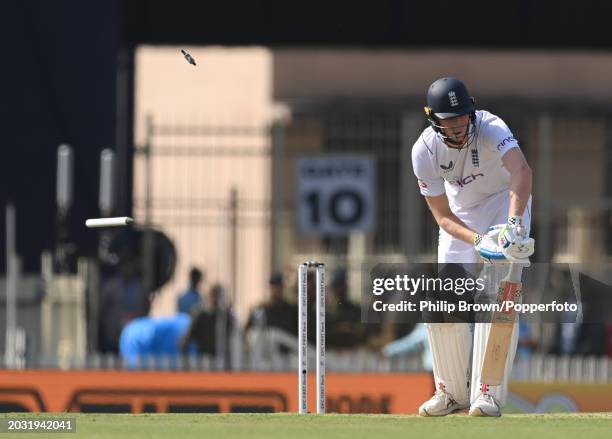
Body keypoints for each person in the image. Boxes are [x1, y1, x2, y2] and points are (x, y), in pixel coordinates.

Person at [411, 77, 534, 417]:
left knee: (498, 296)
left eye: (463, 117)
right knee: (443, 297)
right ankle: (450, 393)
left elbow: (521, 171)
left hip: (504, 203)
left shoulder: (492, 127)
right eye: (450, 121)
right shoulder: (424, 152)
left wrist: (513, 224)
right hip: (460, 216)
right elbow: (443, 216)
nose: (459, 127)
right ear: (434, 120)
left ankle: (488, 395)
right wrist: (478, 241)